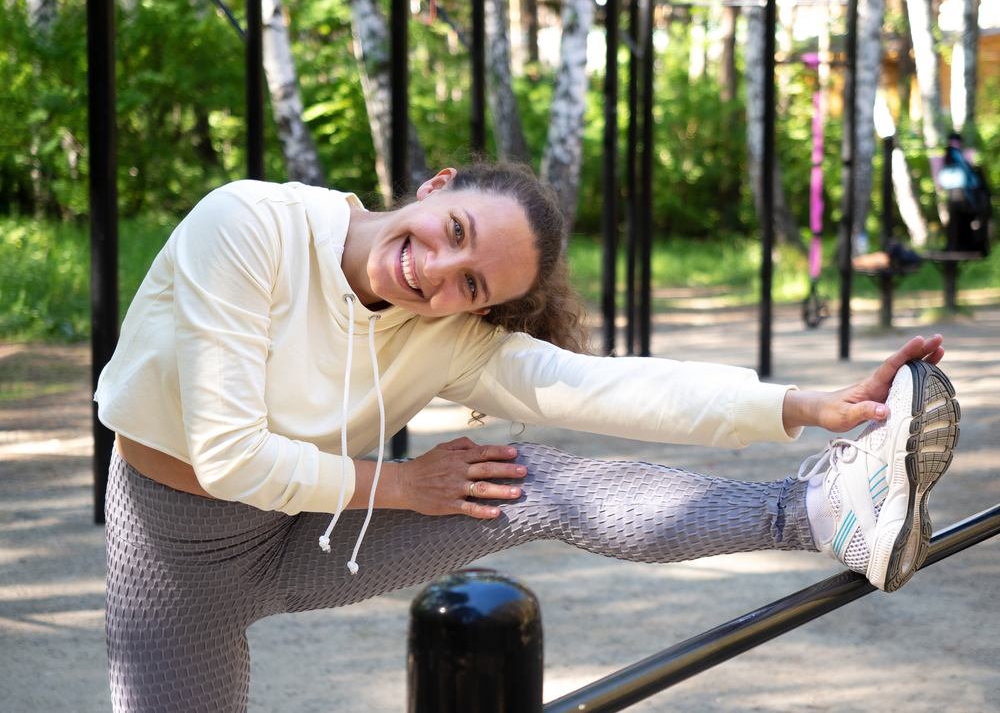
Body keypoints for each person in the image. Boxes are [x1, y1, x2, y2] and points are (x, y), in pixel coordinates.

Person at [96, 163, 960, 712]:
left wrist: (804, 405)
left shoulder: (445, 335)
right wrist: (401, 484)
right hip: (179, 549)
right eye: (456, 231)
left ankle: (824, 510)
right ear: (437, 186)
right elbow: (229, 453)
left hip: (318, 529)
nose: (434, 271)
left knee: (530, 483)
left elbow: (610, 388)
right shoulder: (249, 226)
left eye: (468, 285)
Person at [938, 132, 993, 255]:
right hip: (965, 194)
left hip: (952, 195)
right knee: (967, 219)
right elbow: (973, 177)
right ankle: (967, 247)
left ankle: (955, 247)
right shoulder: (964, 155)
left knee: (955, 221)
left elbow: (939, 181)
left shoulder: (946, 156)